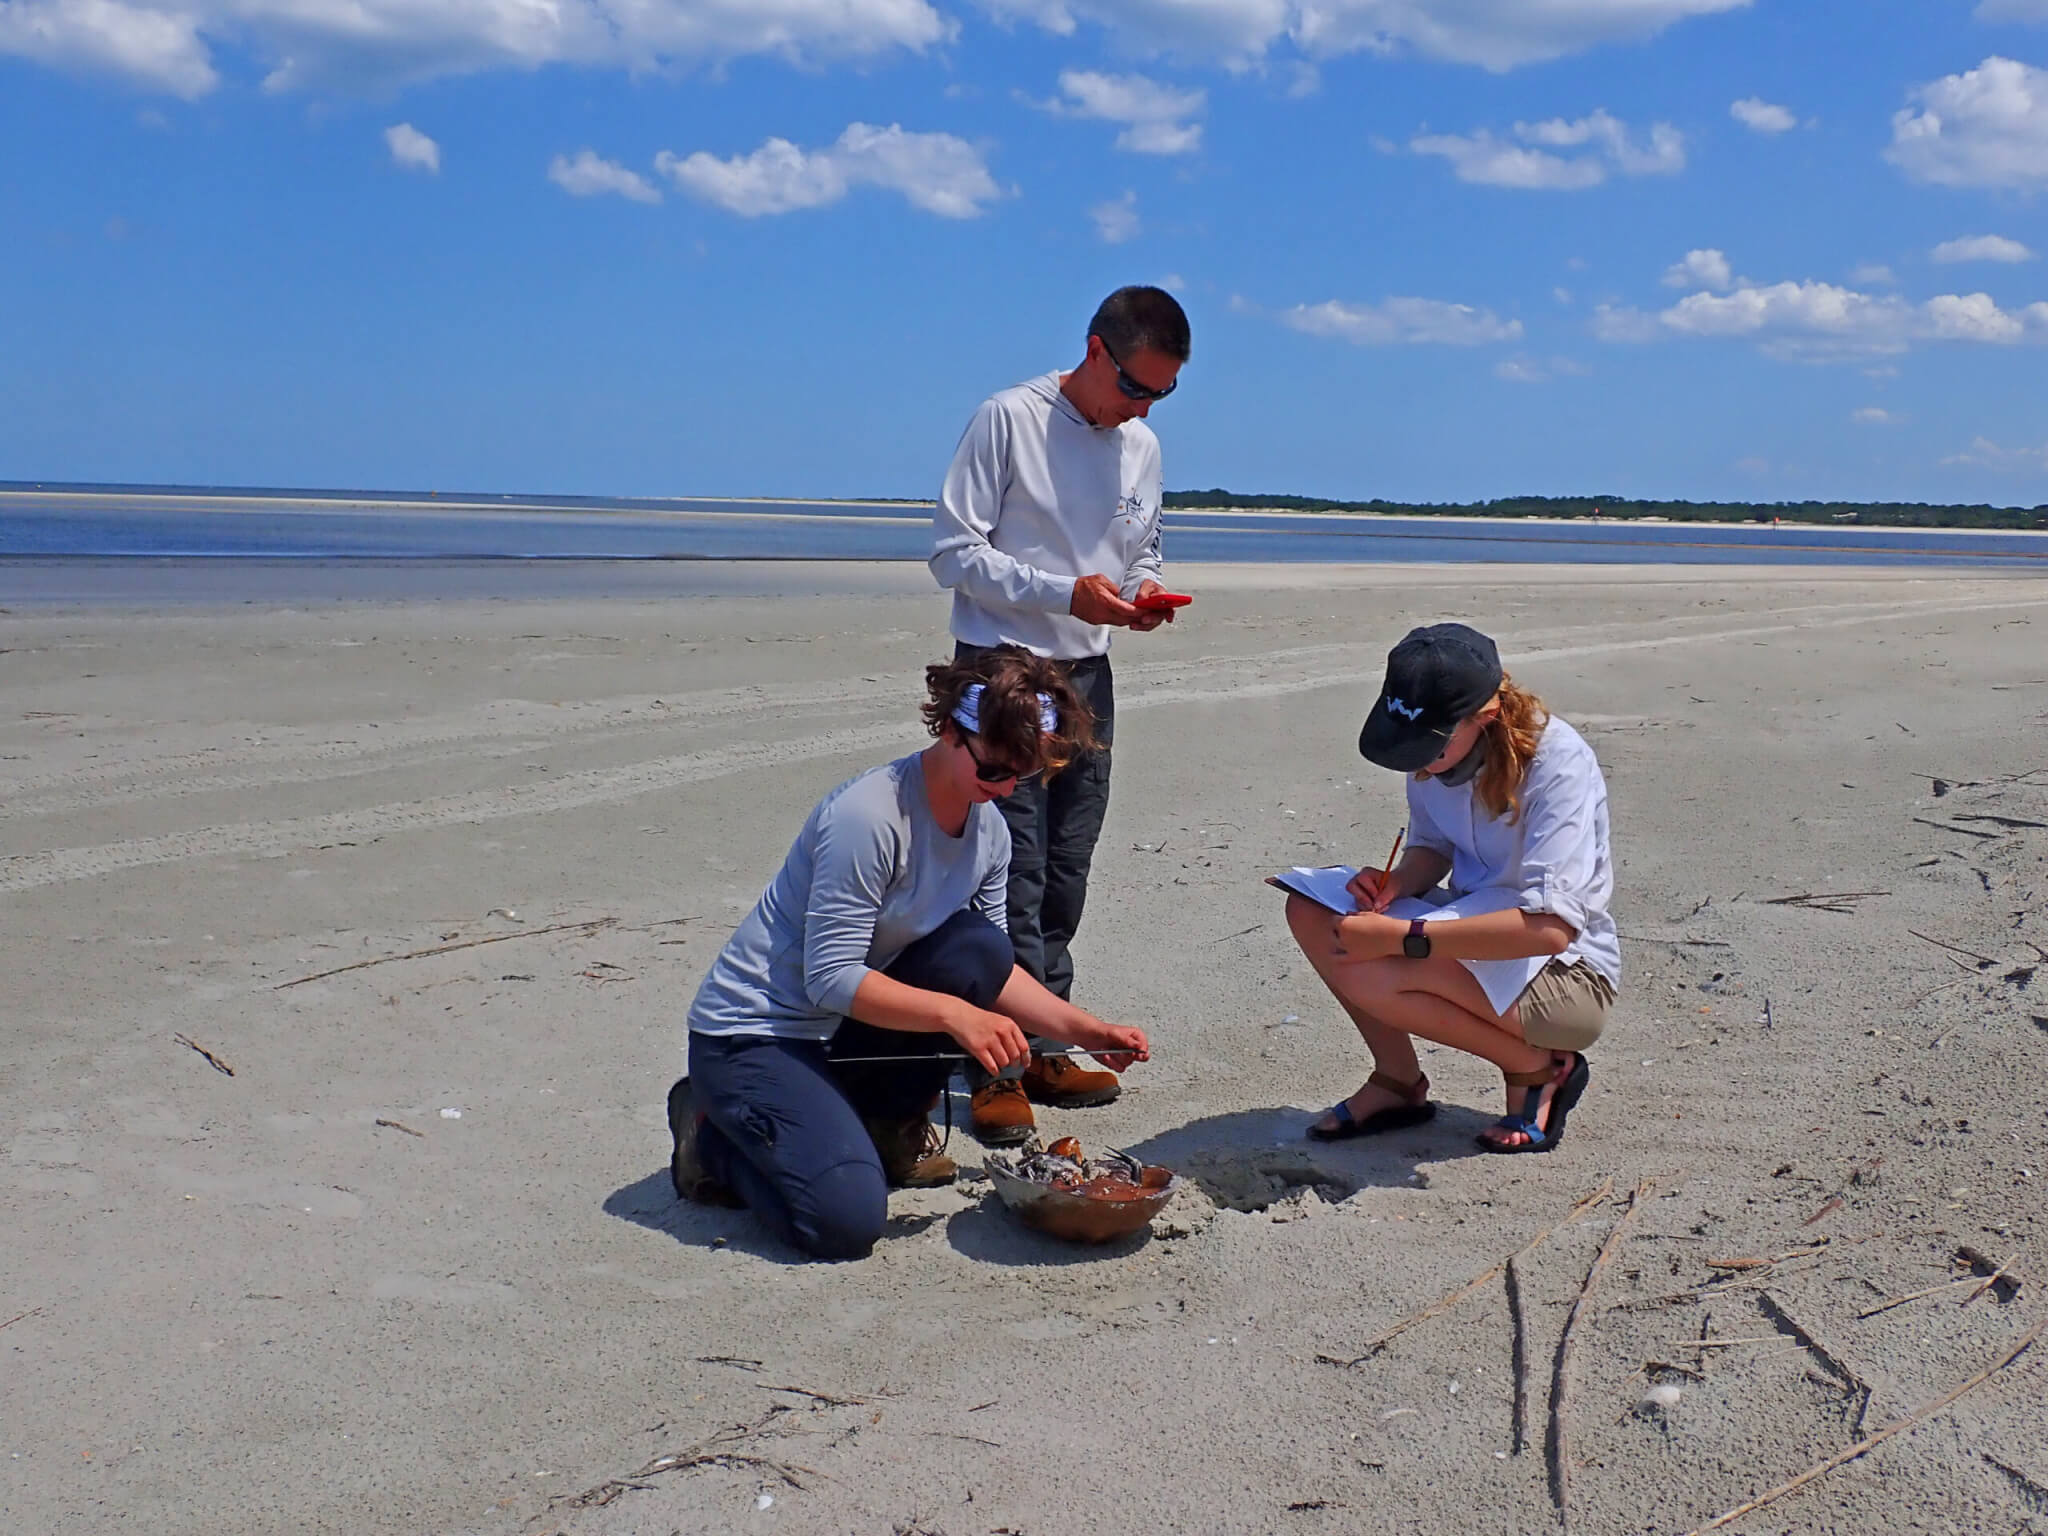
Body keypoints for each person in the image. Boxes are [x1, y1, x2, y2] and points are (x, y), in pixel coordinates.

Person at [667, 646, 1151, 1260]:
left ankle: (878, 1129)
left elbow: (992, 968)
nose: (1005, 789)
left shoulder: (990, 831)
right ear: (952, 729)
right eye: (995, 769)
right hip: (755, 1035)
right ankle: (709, 1136)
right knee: (842, 1224)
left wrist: (1086, 1029)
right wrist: (955, 1016)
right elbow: (830, 979)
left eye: (1022, 776)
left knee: (976, 948)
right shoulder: (869, 817)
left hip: (844, 1037)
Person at [929, 284, 1190, 1145]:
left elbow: (1140, 545)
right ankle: (993, 1065)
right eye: (1134, 387)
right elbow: (952, 554)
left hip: (1090, 671)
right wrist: (1061, 592)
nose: (1142, 407)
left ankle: (1045, 1038)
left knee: (1067, 866)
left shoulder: (1141, 445)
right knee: (1007, 869)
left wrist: (1143, 593)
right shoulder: (1007, 419)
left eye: (1161, 394)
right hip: (1002, 668)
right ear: (1093, 351)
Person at [1284, 623, 1619, 1154]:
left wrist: (1403, 937)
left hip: (1564, 978)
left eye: (1428, 747)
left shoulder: (1557, 763)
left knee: (1367, 962)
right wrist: (1395, 885)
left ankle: (1536, 1067)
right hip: (1465, 930)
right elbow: (1434, 847)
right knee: (1310, 910)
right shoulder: (1432, 755)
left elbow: (1551, 930)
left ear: (1484, 718)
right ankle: (1397, 1082)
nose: (1416, 761)